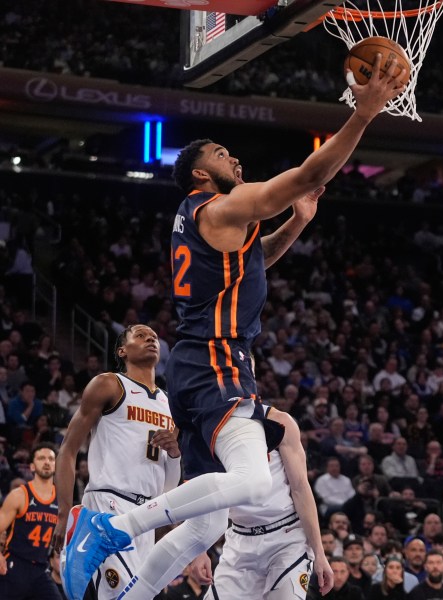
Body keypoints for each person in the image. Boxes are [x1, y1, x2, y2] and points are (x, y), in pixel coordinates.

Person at [61, 60, 407, 600]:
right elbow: (309, 175)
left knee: (206, 525)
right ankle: (112, 528)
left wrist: (295, 224)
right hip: (214, 362)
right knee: (253, 481)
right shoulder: (219, 207)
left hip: (199, 365)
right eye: (222, 154)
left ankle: (129, 597)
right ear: (201, 173)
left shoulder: (205, 222)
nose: (234, 157)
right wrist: (362, 115)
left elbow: (256, 262)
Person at [53, 325, 182, 600]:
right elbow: (68, 449)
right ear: (122, 351)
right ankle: (81, 525)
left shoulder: (170, 404)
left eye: (155, 337)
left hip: (146, 513)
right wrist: (64, 511)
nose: (151, 339)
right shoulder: (109, 384)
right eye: (141, 335)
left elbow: (169, 481)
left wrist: (174, 454)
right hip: (108, 503)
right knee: (120, 594)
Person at [190, 408, 334, 599]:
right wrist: (199, 550)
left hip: (286, 537)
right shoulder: (202, 425)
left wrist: (319, 553)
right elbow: (199, 493)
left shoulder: (279, 420)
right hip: (240, 540)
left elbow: (300, 488)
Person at [0, 442, 62, 600]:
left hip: (41, 568)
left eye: (51, 459)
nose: (47, 462)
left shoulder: (62, 499)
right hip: (15, 565)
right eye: (41, 458)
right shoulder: (19, 495)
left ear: (56, 465)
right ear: (32, 466)